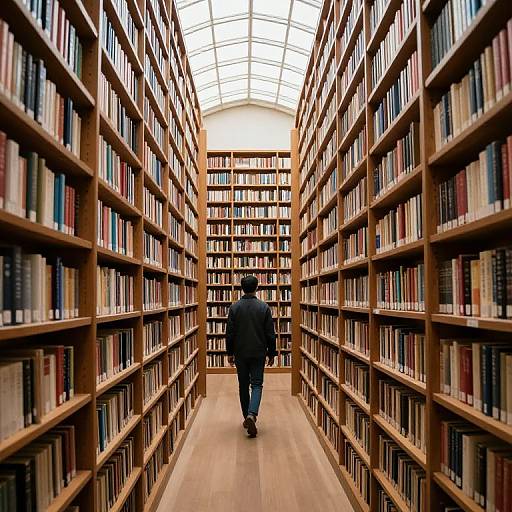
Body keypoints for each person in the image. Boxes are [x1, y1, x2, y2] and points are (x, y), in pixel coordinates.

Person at [226, 275, 276, 438]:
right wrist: (272, 353)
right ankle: (252, 414)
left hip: (241, 352)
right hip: (258, 352)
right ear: (257, 288)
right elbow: (270, 334)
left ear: (242, 288)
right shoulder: (264, 307)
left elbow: (230, 334)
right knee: (256, 384)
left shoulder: (234, 308)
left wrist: (229, 353)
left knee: (242, 385)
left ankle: (246, 416)